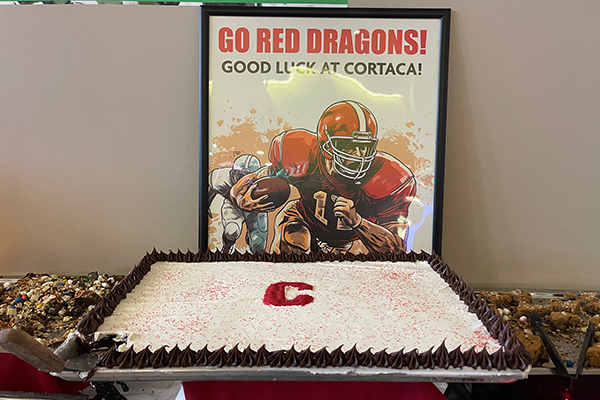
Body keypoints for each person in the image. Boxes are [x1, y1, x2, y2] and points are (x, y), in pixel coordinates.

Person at [231, 100, 416, 255]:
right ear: (326, 145)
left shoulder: (390, 178)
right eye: (348, 146)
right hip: (302, 217)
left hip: (343, 240)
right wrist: (241, 197)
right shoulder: (300, 152)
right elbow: (251, 181)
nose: (358, 155)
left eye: (364, 146)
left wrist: (357, 222)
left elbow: (396, 250)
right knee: (293, 243)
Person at [208, 154, 268, 254]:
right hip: (233, 205)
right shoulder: (220, 178)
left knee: (258, 244)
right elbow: (209, 186)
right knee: (232, 230)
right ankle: (227, 246)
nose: (242, 182)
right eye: (240, 176)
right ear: (233, 173)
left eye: (247, 179)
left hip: (255, 208)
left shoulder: (264, 182)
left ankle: (251, 242)